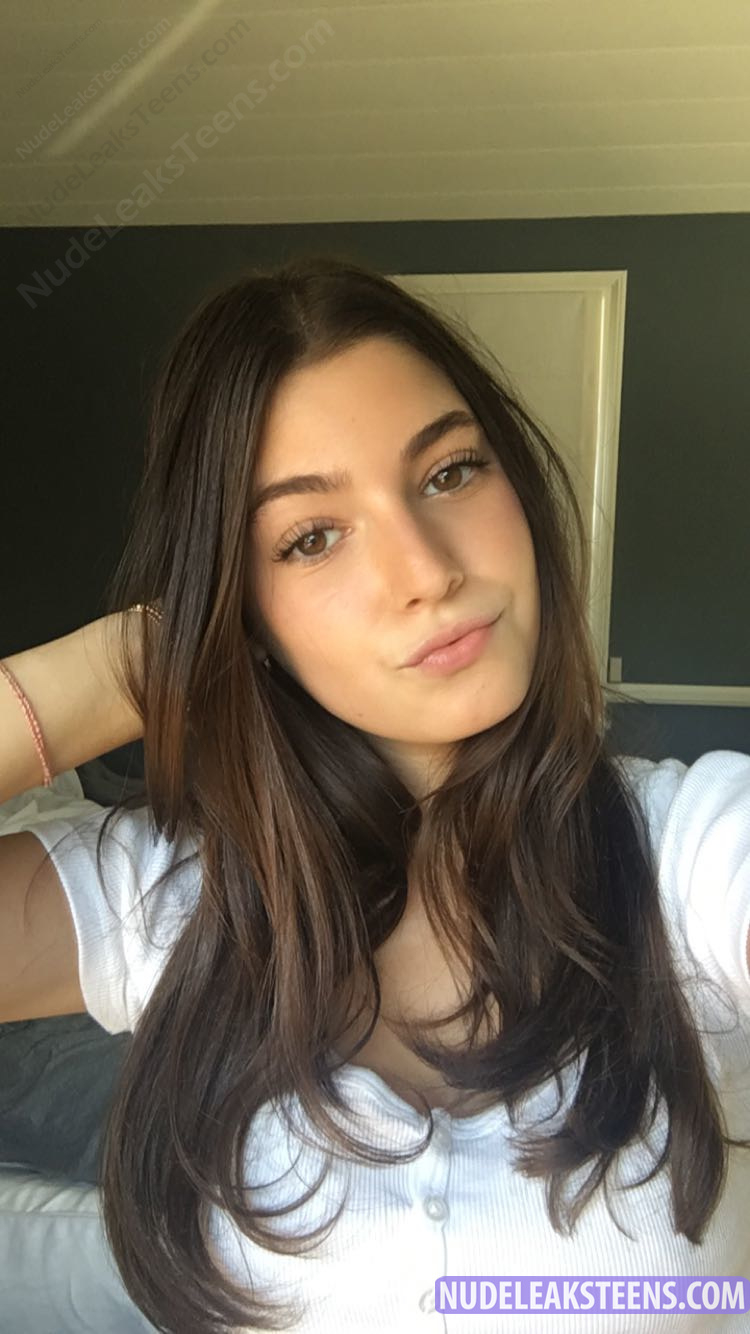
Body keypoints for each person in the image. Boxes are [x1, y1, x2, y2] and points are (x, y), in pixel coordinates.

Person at [1, 253, 749, 1333]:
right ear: (242, 610)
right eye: (311, 537)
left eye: (450, 472)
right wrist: (121, 669)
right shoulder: (171, 898)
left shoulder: (694, 856)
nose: (426, 569)